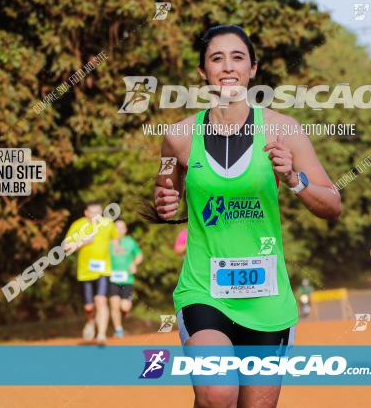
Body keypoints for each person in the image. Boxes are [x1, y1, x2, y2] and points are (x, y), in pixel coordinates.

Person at [153, 24, 342, 408]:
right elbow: (164, 188)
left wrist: (293, 178)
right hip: (204, 288)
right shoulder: (179, 137)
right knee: (218, 392)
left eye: (237, 57)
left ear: (253, 69)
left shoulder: (282, 129)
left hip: (267, 297)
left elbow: (332, 204)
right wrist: (164, 203)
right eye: (216, 58)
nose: (227, 67)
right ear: (202, 72)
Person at [63, 202, 119, 343]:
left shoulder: (108, 224)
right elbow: (65, 247)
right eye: (93, 212)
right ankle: (90, 321)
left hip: (104, 270)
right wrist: (82, 242)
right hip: (85, 271)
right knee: (88, 307)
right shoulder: (78, 225)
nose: (97, 216)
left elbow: (116, 241)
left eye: (99, 212)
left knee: (100, 300)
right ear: (86, 213)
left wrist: (119, 254)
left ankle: (101, 334)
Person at [108, 219, 143, 338]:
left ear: (125, 230)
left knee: (124, 306)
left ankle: (125, 310)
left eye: (121, 227)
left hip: (127, 279)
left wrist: (134, 263)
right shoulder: (109, 243)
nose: (119, 230)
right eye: (116, 227)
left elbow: (139, 255)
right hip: (112, 279)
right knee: (114, 305)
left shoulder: (130, 242)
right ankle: (118, 330)